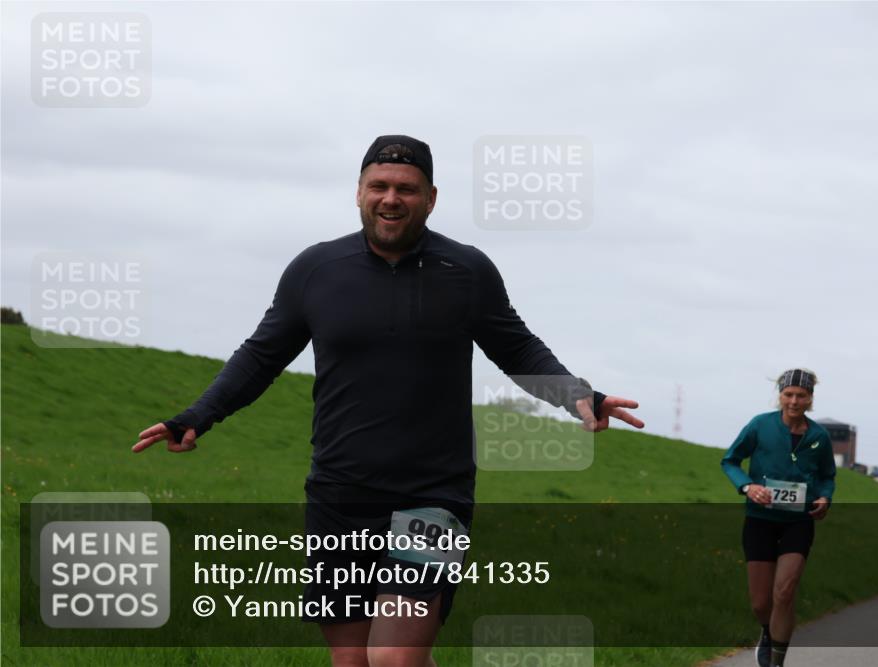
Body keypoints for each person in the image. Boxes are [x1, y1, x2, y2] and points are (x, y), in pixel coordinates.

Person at [132, 135, 644, 667]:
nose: (391, 198)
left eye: (406, 188)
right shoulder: (316, 270)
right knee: (354, 662)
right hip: (340, 493)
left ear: (431, 198)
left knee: (395, 657)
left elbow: (517, 347)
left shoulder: (467, 271)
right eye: (378, 186)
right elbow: (261, 356)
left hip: (434, 495)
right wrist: (197, 416)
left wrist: (576, 394)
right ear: (359, 192)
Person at [720, 369, 836, 667]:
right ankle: (767, 632)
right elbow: (730, 461)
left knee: (784, 592)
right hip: (760, 520)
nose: (794, 401)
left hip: (799, 522)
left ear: (811, 398)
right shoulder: (760, 425)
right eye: (788, 394)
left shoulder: (819, 436)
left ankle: (776, 661)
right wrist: (748, 486)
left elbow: (827, 476)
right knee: (761, 602)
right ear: (780, 395)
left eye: (801, 395)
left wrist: (825, 497)